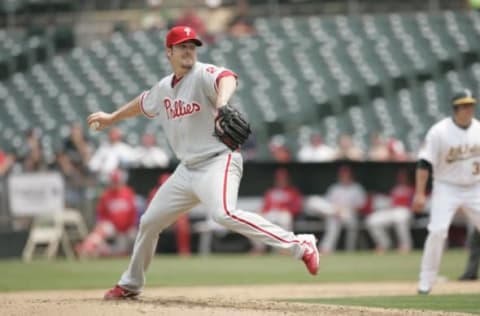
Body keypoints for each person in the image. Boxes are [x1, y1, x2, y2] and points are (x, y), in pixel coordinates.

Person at [87, 26, 319, 300]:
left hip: (218, 161)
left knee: (223, 214)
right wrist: (112, 117)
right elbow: (143, 102)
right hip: (186, 171)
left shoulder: (201, 74)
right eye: (182, 46)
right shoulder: (163, 88)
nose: (188, 50)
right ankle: (131, 284)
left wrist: (221, 103)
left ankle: (300, 244)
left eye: (192, 46)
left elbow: (227, 77)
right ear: (169, 52)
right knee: (149, 221)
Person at [413, 89, 480, 294]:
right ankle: (426, 281)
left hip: (475, 186)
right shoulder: (439, 131)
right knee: (437, 231)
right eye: (464, 105)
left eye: (471, 105)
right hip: (446, 186)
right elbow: (424, 163)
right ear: (455, 108)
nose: (469, 108)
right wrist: (420, 193)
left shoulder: (478, 128)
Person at [75, 169, 137, 258]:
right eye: (114, 181)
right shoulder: (106, 195)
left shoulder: (128, 193)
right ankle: (87, 247)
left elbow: (134, 213)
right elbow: (100, 214)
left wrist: (129, 226)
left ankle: (104, 252)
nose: (116, 184)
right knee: (101, 229)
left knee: (134, 240)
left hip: (127, 229)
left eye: (117, 181)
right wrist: (100, 225)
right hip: (112, 227)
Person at [306, 165, 367, 253]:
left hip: (349, 213)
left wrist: (345, 209)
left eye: (346, 175)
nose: (344, 177)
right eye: (342, 175)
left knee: (340, 220)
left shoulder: (357, 188)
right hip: (334, 212)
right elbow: (326, 203)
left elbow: (361, 206)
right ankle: (326, 249)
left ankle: (344, 249)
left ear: (351, 176)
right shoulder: (334, 188)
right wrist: (335, 210)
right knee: (312, 201)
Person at [251, 168, 303, 253]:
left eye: (283, 179)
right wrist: (261, 212)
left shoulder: (293, 191)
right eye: (279, 179)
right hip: (271, 213)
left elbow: (297, 207)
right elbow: (265, 206)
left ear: (288, 180)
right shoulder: (271, 192)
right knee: (255, 219)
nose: (281, 181)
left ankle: (284, 248)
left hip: (284, 213)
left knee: (285, 218)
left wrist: (288, 210)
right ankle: (259, 247)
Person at [365, 168, 414, 253]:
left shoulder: (413, 189)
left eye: (404, 176)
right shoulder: (394, 189)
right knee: (372, 220)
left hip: (405, 211)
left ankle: (406, 245)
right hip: (392, 210)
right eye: (400, 176)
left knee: (401, 217)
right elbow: (389, 202)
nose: (402, 178)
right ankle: (384, 244)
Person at [147, 172, 190, 256]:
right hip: (159, 218)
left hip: (174, 218)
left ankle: (184, 251)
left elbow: (182, 208)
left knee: (183, 224)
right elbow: (151, 211)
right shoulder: (154, 193)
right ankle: (150, 253)